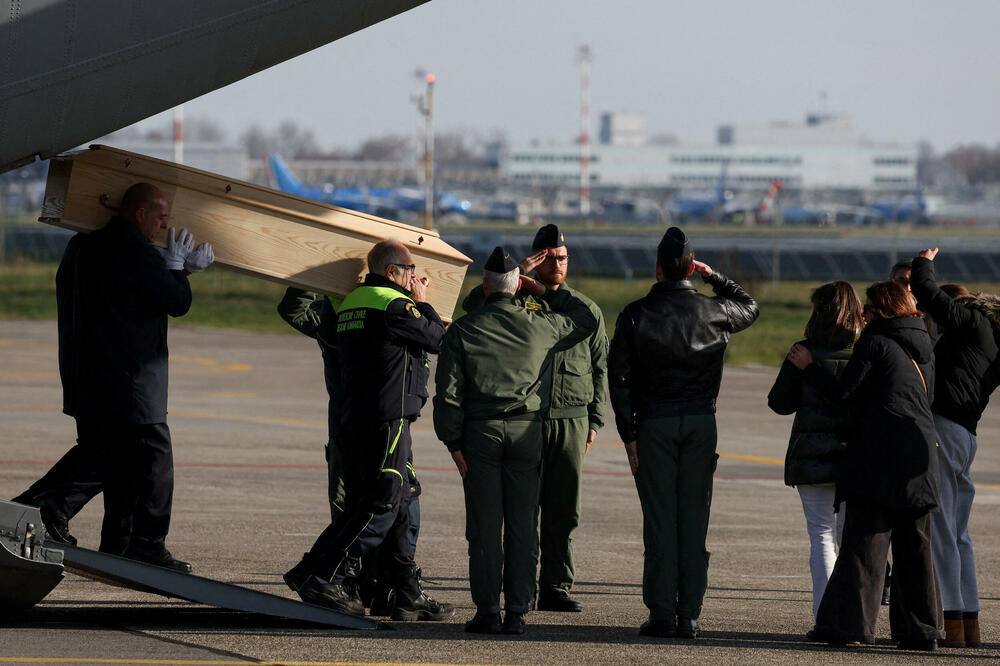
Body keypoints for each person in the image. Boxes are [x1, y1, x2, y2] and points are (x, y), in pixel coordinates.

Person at [12, 182, 214, 573]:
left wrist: (176, 269)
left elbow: (130, 293)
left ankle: (95, 533)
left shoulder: (83, 246)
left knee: (106, 454)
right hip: (130, 380)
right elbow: (176, 301)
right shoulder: (134, 251)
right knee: (151, 458)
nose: (163, 225)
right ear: (139, 213)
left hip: (86, 375)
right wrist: (179, 270)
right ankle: (139, 542)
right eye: (160, 217)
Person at [283, 239, 453, 622]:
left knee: (404, 499)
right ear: (392, 272)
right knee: (382, 504)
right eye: (410, 270)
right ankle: (322, 575)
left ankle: (404, 590)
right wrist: (423, 301)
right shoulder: (392, 304)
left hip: (361, 418)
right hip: (386, 420)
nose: (415, 276)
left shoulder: (351, 303)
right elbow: (437, 339)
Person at [434, 246, 598, 635]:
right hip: (527, 432)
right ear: (519, 285)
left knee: (485, 526)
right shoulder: (541, 325)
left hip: (480, 434)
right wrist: (543, 291)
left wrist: (453, 443)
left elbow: (449, 395)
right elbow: (587, 319)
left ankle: (489, 610)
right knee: (523, 524)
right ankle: (518, 611)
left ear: (485, 286)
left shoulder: (464, 330)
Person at [608, 227, 759, 639]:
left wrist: (628, 434)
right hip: (700, 420)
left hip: (654, 422)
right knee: (694, 520)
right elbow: (750, 307)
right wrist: (714, 277)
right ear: (691, 267)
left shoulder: (635, 314)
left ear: (657, 268)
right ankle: (689, 613)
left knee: (660, 520)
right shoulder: (716, 310)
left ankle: (661, 613)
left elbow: (619, 378)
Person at [789, 281, 944, 650]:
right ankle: (922, 631)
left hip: (879, 458)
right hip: (920, 459)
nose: (862, 315)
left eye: (869, 309)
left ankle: (849, 626)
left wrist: (810, 368)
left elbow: (845, 392)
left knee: (864, 546)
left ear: (884, 311)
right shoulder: (924, 347)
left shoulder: (874, 342)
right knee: (916, 550)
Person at [276, 287, 422, 615]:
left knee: (391, 506)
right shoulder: (342, 318)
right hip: (358, 432)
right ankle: (348, 586)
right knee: (362, 510)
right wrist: (317, 277)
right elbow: (294, 309)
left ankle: (384, 588)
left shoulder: (345, 319)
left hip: (373, 430)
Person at [911, 248, 1000, 648]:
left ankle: (951, 622)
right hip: (967, 435)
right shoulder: (996, 342)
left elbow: (929, 294)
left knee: (943, 530)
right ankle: (969, 622)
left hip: (945, 430)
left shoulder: (974, 322)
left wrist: (923, 262)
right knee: (960, 534)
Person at [767, 282, 863, 619]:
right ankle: (850, 617)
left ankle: (825, 614)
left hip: (812, 458)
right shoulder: (866, 350)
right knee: (850, 539)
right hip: (856, 458)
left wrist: (801, 371)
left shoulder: (803, 352)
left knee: (821, 535)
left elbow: (779, 403)